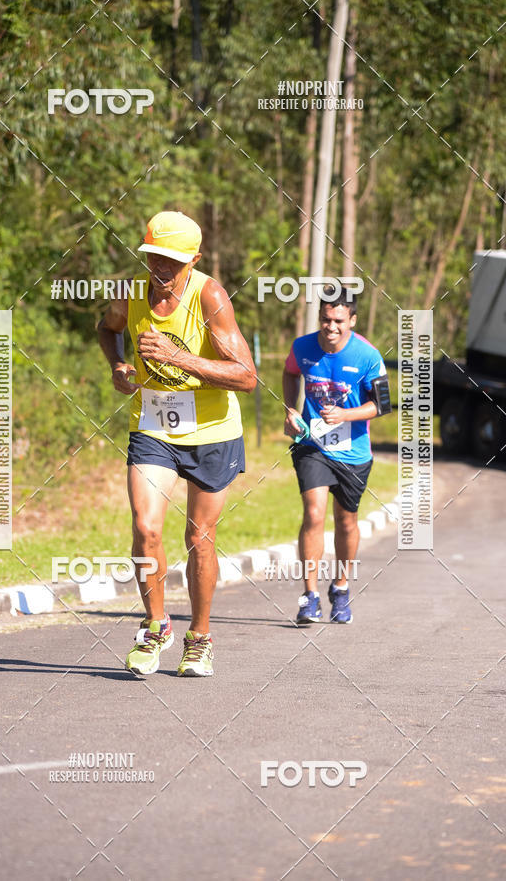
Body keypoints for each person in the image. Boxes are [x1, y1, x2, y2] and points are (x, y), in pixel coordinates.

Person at [98, 211, 256, 676]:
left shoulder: (209, 296)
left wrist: (178, 357)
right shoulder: (130, 294)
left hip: (212, 434)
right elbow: (106, 330)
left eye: (171, 260)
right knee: (146, 528)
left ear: (193, 260)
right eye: (153, 257)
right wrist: (118, 366)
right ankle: (156, 626)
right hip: (152, 429)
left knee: (199, 540)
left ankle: (200, 637)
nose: (161, 268)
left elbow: (246, 376)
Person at [282, 285, 390, 625]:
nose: (331, 327)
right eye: (326, 319)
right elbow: (289, 372)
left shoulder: (368, 356)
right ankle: (309, 596)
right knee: (314, 513)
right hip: (312, 444)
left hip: (354, 452)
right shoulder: (302, 347)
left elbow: (383, 405)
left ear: (352, 321)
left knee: (346, 521)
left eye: (339, 321)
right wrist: (290, 409)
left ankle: (341, 588)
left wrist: (346, 415)